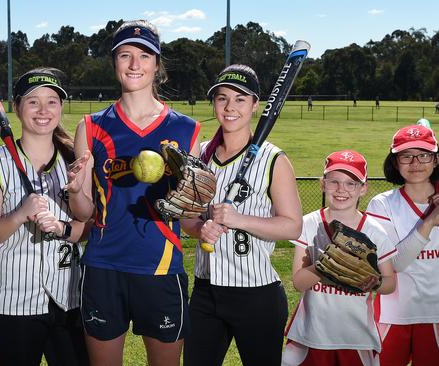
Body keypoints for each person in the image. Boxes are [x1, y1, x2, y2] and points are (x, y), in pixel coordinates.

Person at [66, 19, 200, 366]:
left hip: (160, 266)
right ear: (115, 63)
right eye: (125, 55)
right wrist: (76, 191)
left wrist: (199, 208)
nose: (135, 64)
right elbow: (83, 212)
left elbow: (189, 215)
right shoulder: (92, 126)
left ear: (157, 64)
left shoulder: (186, 130)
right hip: (104, 265)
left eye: (144, 55)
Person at [180, 64, 302, 366]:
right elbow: (186, 215)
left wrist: (239, 220)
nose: (230, 107)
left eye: (239, 99)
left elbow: (292, 226)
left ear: (255, 105)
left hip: (257, 294)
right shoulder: (200, 155)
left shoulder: (274, 159)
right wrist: (200, 229)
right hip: (206, 293)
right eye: (222, 98)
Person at [0, 67, 88, 365]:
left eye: (52, 101)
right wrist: (20, 214)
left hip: (70, 297)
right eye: (33, 101)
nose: (43, 110)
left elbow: (88, 227)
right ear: (17, 107)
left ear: (61, 107)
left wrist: (64, 227)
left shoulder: (74, 161)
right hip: (14, 301)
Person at [282, 150, 397, 366]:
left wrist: (376, 282)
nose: (341, 189)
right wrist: (326, 264)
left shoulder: (375, 231)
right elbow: (298, 283)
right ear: (323, 184)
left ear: (363, 188)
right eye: (334, 181)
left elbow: (390, 283)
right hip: (310, 334)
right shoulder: (308, 224)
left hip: (356, 337)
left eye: (351, 183)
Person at [367, 124, 439, 365]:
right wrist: (429, 222)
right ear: (395, 162)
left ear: (436, 159)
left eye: (424, 155)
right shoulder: (382, 204)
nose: (416, 163)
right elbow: (394, 265)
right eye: (406, 156)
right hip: (394, 312)